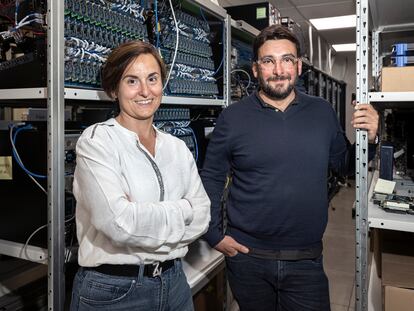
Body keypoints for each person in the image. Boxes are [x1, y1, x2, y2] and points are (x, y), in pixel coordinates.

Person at [201, 25, 379, 311]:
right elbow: (211, 177)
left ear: (298, 66)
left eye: (287, 60)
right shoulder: (232, 118)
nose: (278, 69)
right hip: (248, 258)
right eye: (268, 61)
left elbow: (345, 166)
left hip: (306, 260)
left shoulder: (321, 112)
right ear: (256, 69)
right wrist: (212, 234)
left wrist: (369, 140)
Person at [70, 41, 210, 311]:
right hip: (114, 291)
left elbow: (203, 216)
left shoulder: (176, 147)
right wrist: (183, 209)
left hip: (174, 282)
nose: (145, 91)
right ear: (114, 89)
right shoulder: (98, 141)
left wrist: (142, 217)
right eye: (132, 81)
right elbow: (118, 223)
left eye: (152, 79)